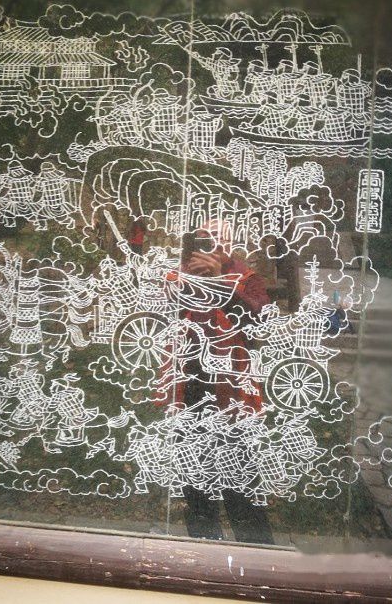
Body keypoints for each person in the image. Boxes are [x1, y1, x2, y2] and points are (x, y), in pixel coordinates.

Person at [174, 221, 275, 544]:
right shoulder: (185, 274)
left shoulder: (246, 277)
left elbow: (259, 321)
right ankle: (203, 543)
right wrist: (184, 280)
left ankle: (255, 545)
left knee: (238, 469)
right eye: (202, 241)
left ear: (228, 245)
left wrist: (220, 282)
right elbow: (166, 316)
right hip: (190, 383)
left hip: (231, 388)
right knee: (193, 471)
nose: (208, 247)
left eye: (214, 241)